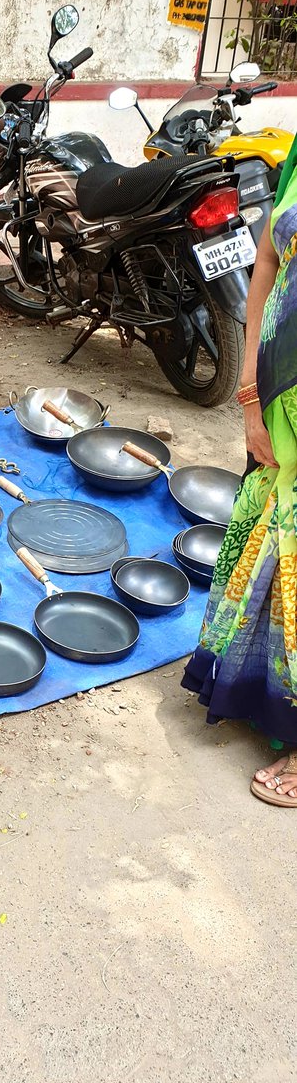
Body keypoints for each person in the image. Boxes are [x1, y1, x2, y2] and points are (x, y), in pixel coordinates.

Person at [182, 139, 297, 806]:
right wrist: (249, 381)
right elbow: (266, 262)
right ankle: (268, 690)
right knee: (274, 540)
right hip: (284, 389)